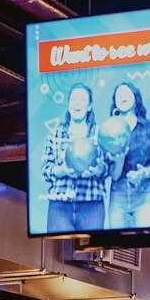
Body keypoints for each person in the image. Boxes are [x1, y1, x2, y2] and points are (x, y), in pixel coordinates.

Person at [42, 84, 108, 233]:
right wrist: (62, 170)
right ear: (68, 104)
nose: (78, 103)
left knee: (91, 254)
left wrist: (98, 170)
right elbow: (46, 169)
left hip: (92, 206)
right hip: (59, 206)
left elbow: (107, 168)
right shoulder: (56, 133)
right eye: (74, 99)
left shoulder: (100, 133)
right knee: (56, 252)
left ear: (90, 106)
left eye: (83, 99)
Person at [103, 82, 150, 229]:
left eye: (126, 93)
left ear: (135, 98)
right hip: (118, 195)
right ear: (115, 103)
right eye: (119, 95)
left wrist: (144, 173)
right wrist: (119, 157)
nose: (123, 96)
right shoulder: (108, 131)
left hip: (145, 195)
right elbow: (114, 175)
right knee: (117, 245)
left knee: (148, 242)